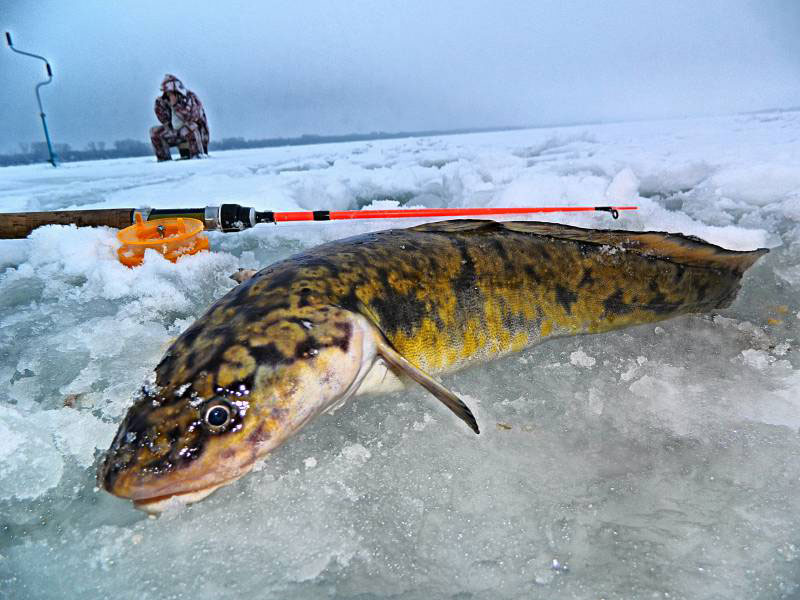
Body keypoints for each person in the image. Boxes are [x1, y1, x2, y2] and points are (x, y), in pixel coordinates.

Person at [149, 74, 209, 161]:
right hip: (177, 133)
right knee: (154, 132)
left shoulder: (190, 98)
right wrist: (161, 106)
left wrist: (177, 105)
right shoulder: (163, 101)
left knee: (191, 126)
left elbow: (193, 117)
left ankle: (197, 156)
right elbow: (165, 121)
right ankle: (163, 160)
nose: (169, 94)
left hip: (196, 135)